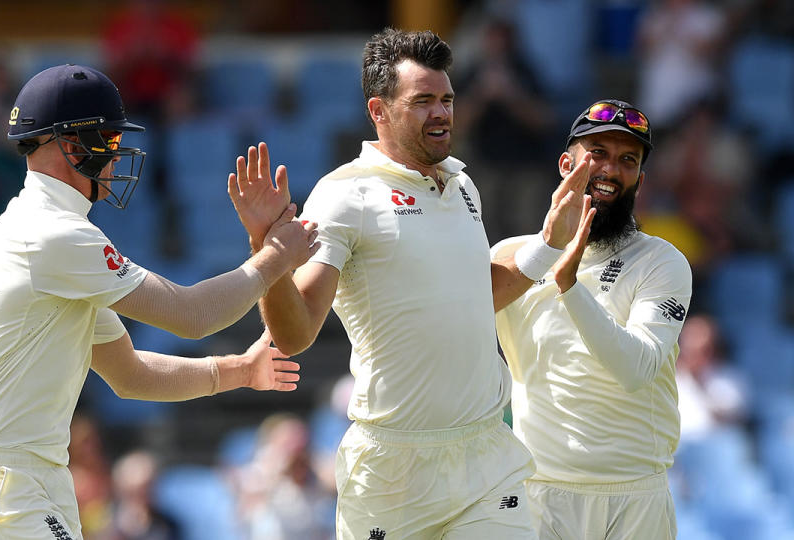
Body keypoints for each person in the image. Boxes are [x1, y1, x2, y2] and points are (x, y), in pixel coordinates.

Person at [0, 64, 319, 539]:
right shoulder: (54, 235)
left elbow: (130, 374)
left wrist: (241, 370)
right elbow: (192, 315)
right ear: (71, 145)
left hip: (7, 477)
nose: (116, 157)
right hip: (0, 480)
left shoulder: (45, 235)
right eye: (107, 142)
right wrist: (276, 254)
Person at [228, 28, 593, 539]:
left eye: (446, 99)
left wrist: (548, 245)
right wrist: (265, 250)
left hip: (487, 455)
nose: (441, 113)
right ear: (379, 111)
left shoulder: (462, 183)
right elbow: (295, 333)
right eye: (422, 101)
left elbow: (475, 295)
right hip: (392, 471)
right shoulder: (344, 195)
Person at [491, 99, 693, 540]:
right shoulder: (511, 258)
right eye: (597, 152)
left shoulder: (662, 262)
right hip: (538, 496)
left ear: (640, 178)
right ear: (567, 163)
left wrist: (570, 287)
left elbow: (635, 370)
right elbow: (442, 326)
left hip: (634, 498)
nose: (610, 169)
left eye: (627, 160)